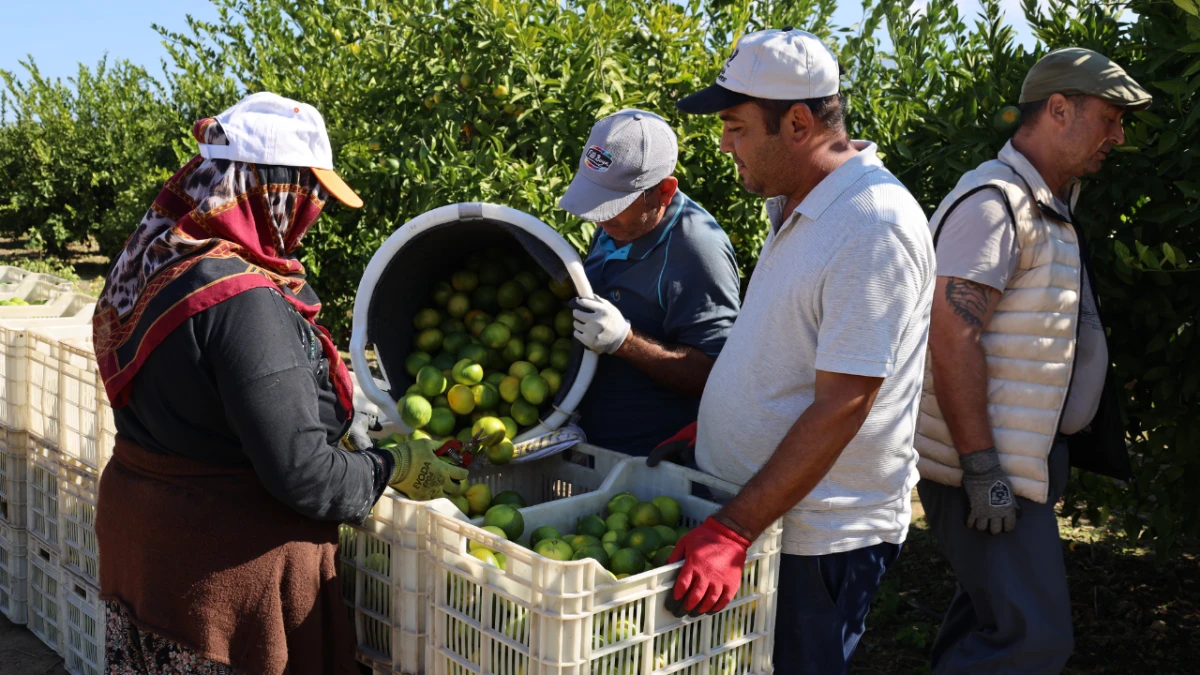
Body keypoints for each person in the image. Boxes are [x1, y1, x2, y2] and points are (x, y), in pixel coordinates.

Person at [92, 92, 467, 675]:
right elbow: (305, 477)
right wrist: (392, 466)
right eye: (310, 193)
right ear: (273, 188)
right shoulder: (243, 299)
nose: (313, 211)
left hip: (144, 544)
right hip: (217, 575)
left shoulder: (159, 261)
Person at [664, 28, 935, 674]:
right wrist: (722, 419)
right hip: (768, 517)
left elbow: (845, 403)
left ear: (797, 123)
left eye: (735, 126)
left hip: (818, 541)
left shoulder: (871, 223)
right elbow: (790, 342)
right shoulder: (795, 204)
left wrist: (732, 529)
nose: (724, 143)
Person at [914, 48, 1150, 673]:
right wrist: (983, 467)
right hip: (989, 468)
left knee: (990, 620)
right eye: (1110, 118)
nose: (1118, 136)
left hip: (1021, 458)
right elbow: (950, 335)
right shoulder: (996, 204)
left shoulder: (1043, 203)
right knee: (1032, 641)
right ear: (1058, 108)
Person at [559, 109, 740, 454]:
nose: (599, 217)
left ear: (664, 192)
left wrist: (624, 341)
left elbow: (716, 375)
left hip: (649, 467)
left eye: (613, 204)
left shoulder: (697, 250)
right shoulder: (619, 224)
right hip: (589, 449)